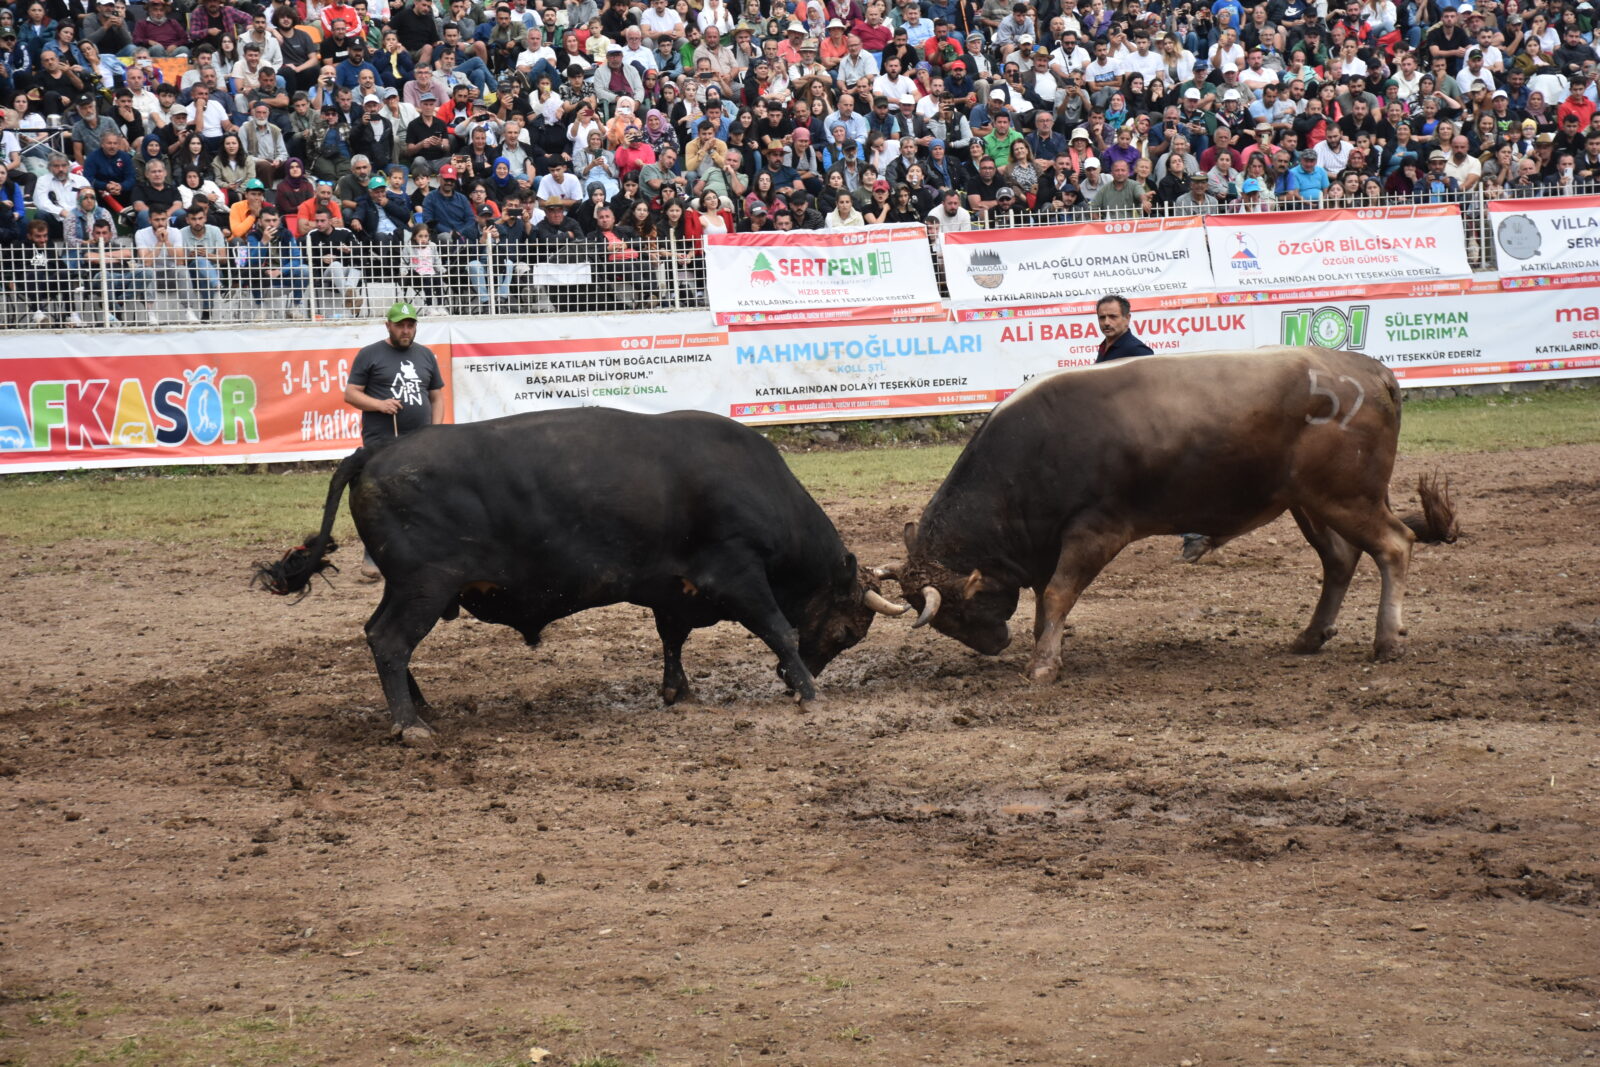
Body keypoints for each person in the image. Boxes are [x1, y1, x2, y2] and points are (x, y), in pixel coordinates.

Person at [343, 300, 445, 581]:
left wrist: (436, 431)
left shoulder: (425, 355)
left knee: (422, 496)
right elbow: (351, 393)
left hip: (420, 440)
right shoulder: (370, 354)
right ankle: (372, 553)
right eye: (400, 325)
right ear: (388, 325)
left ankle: (420, 554)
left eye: (410, 324)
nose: (406, 330)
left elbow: (436, 395)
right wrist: (379, 405)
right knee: (380, 499)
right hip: (382, 441)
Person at [1093, 292, 1152, 363]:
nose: (1106, 323)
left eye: (1113, 317)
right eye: (1102, 317)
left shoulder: (1138, 351)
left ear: (1127, 318)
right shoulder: (1104, 346)